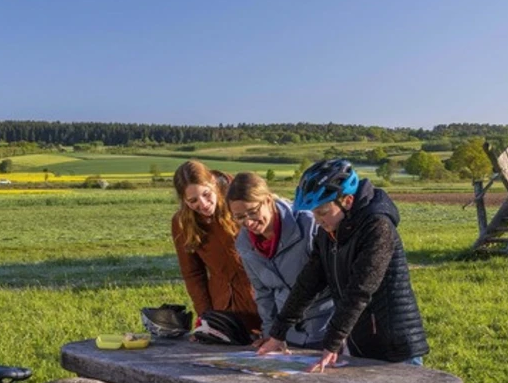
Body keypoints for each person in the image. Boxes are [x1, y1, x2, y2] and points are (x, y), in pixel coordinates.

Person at [257, 159, 428, 372]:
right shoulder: (329, 232)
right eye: (314, 213)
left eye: (322, 212)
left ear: (347, 201)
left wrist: (332, 342)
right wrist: (278, 333)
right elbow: (307, 284)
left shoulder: (378, 227)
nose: (317, 220)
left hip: (395, 348)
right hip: (360, 343)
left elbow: (360, 290)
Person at [226, 171, 334, 349]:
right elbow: (263, 294)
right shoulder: (244, 244)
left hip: (325, 326)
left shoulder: (309, 225)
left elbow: (337, 278)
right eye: (239, 217)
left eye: (252, 212)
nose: (249, 222)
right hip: (287, 335)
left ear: (268, 200)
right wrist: (270, 334)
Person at [169, 161, 261, 341]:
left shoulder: (239, 202)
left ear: (213, 183)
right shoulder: (182, 222)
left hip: (261, 298)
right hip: (222, 305)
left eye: (206, 194)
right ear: (183, 200)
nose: (202, 204)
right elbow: (193, 274)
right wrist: (206, 317)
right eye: (192, 200)